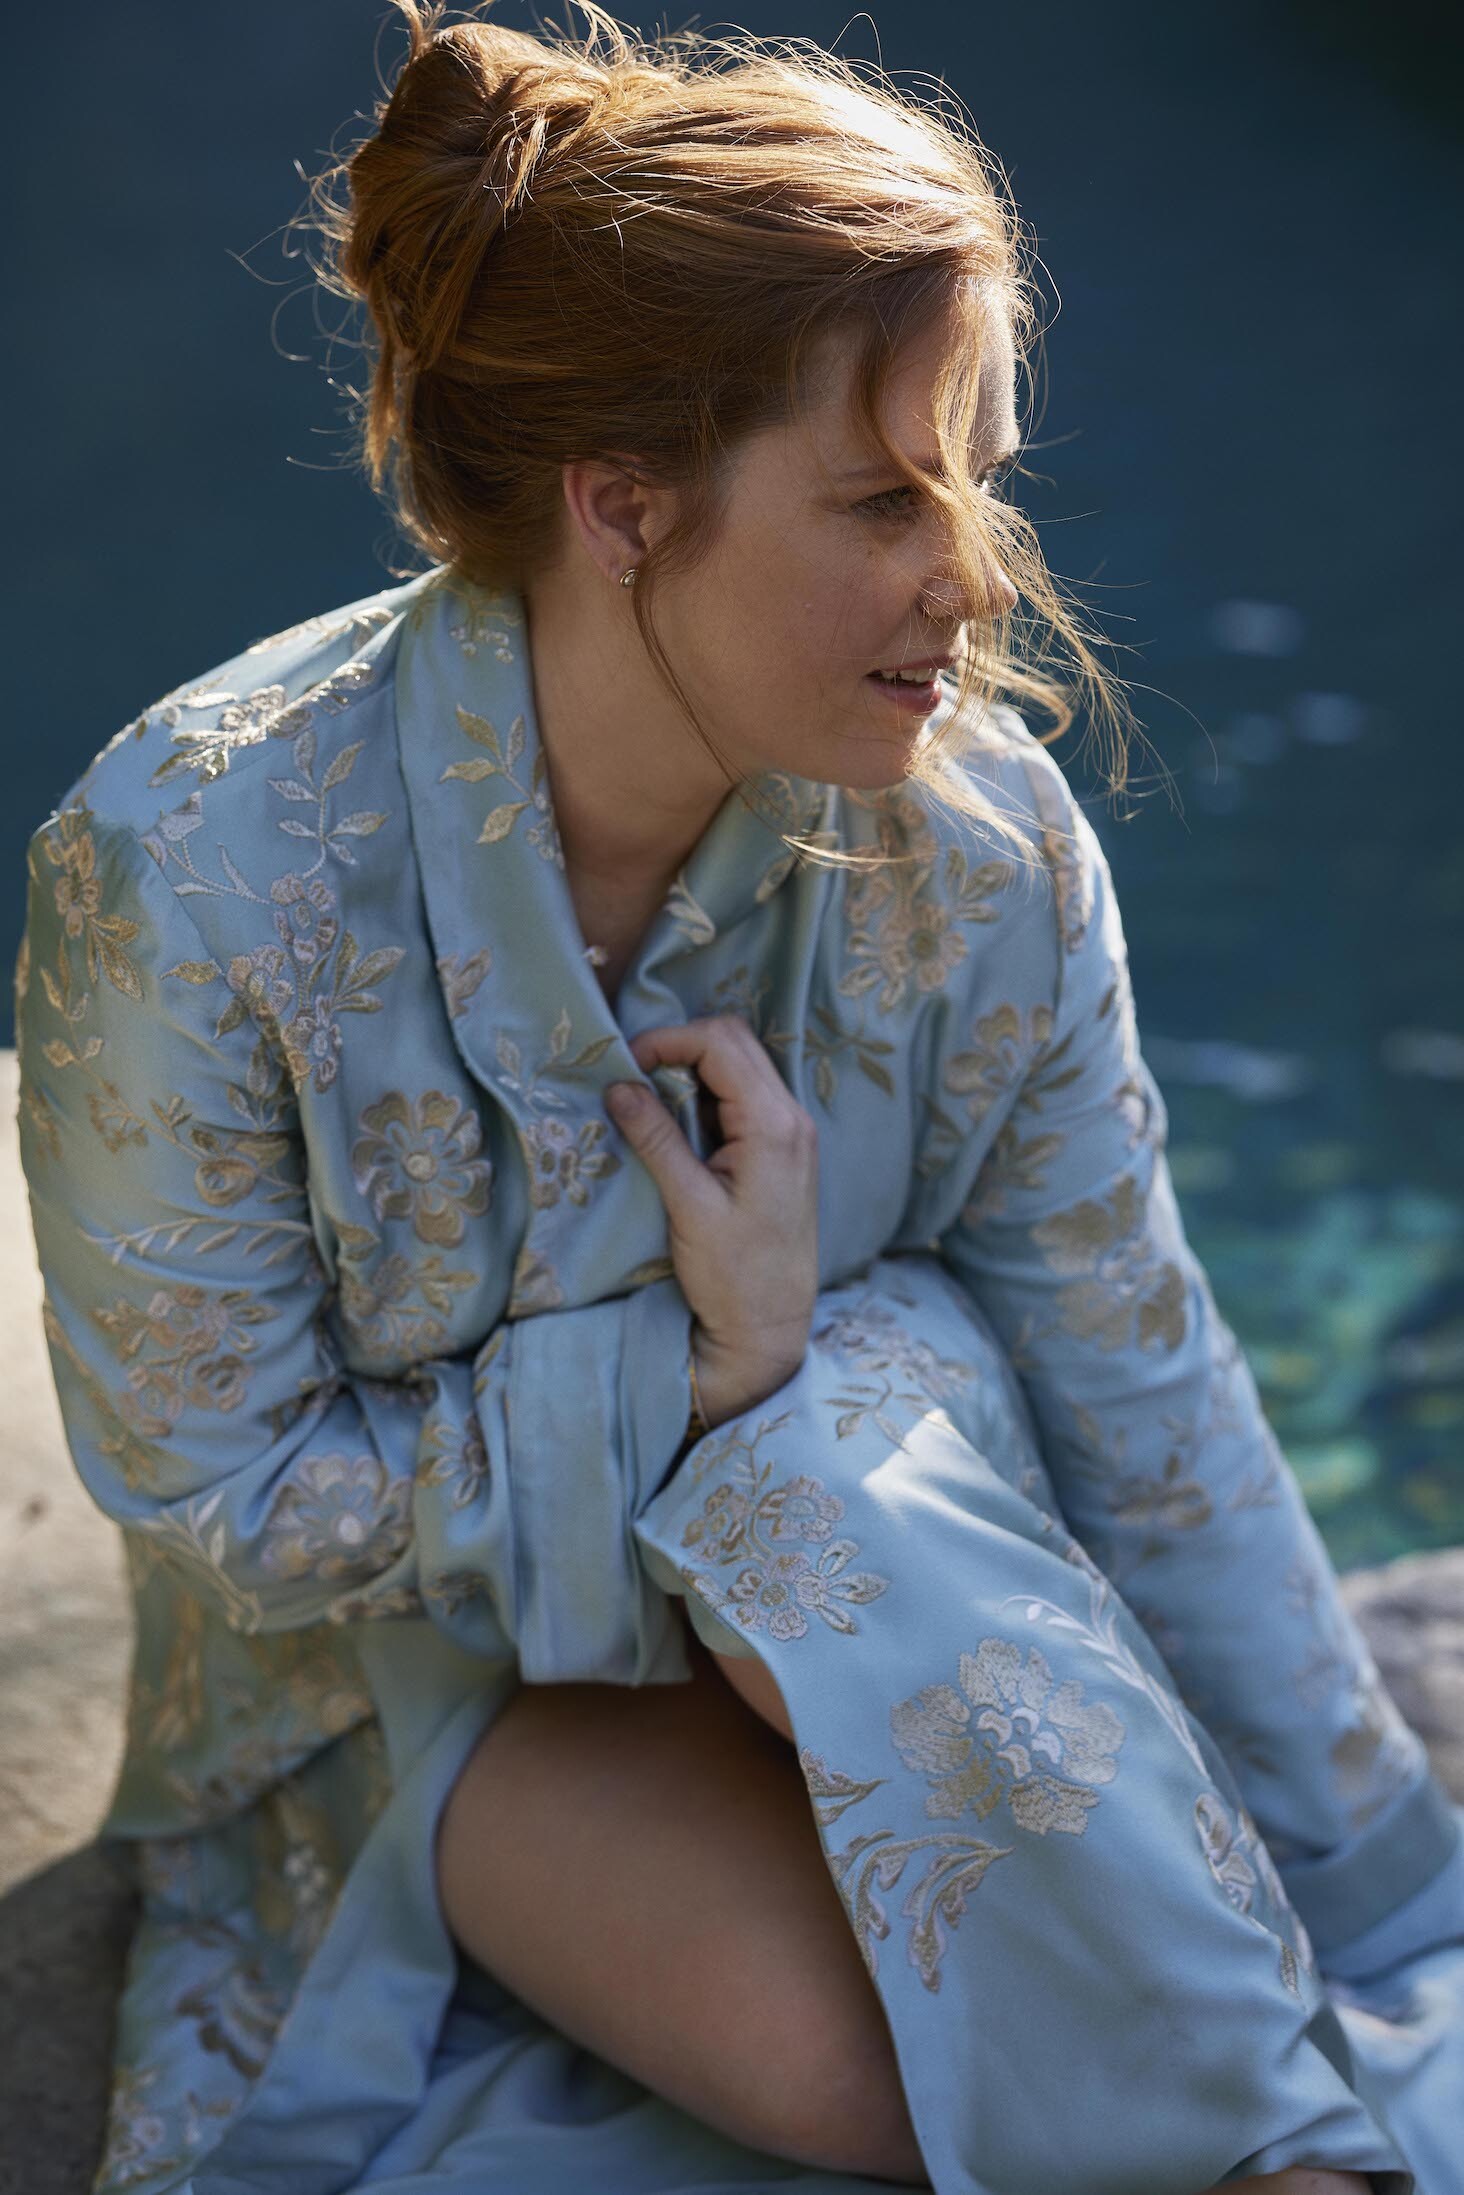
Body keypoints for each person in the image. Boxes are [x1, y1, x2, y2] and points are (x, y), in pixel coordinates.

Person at [14, 3, 1461, 2191]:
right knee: (906, 2092)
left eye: (982, 478)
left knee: (856, 1421)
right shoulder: (192, 878)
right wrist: (691, 1375)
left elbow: (1135, 1375)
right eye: (886, 498)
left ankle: (1293, 2161)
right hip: (429, 1675)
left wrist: (1382, 1887)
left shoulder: (986, 851)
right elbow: (215, 1486)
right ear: (622, 507)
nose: (978, 577)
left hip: (894, 1575)